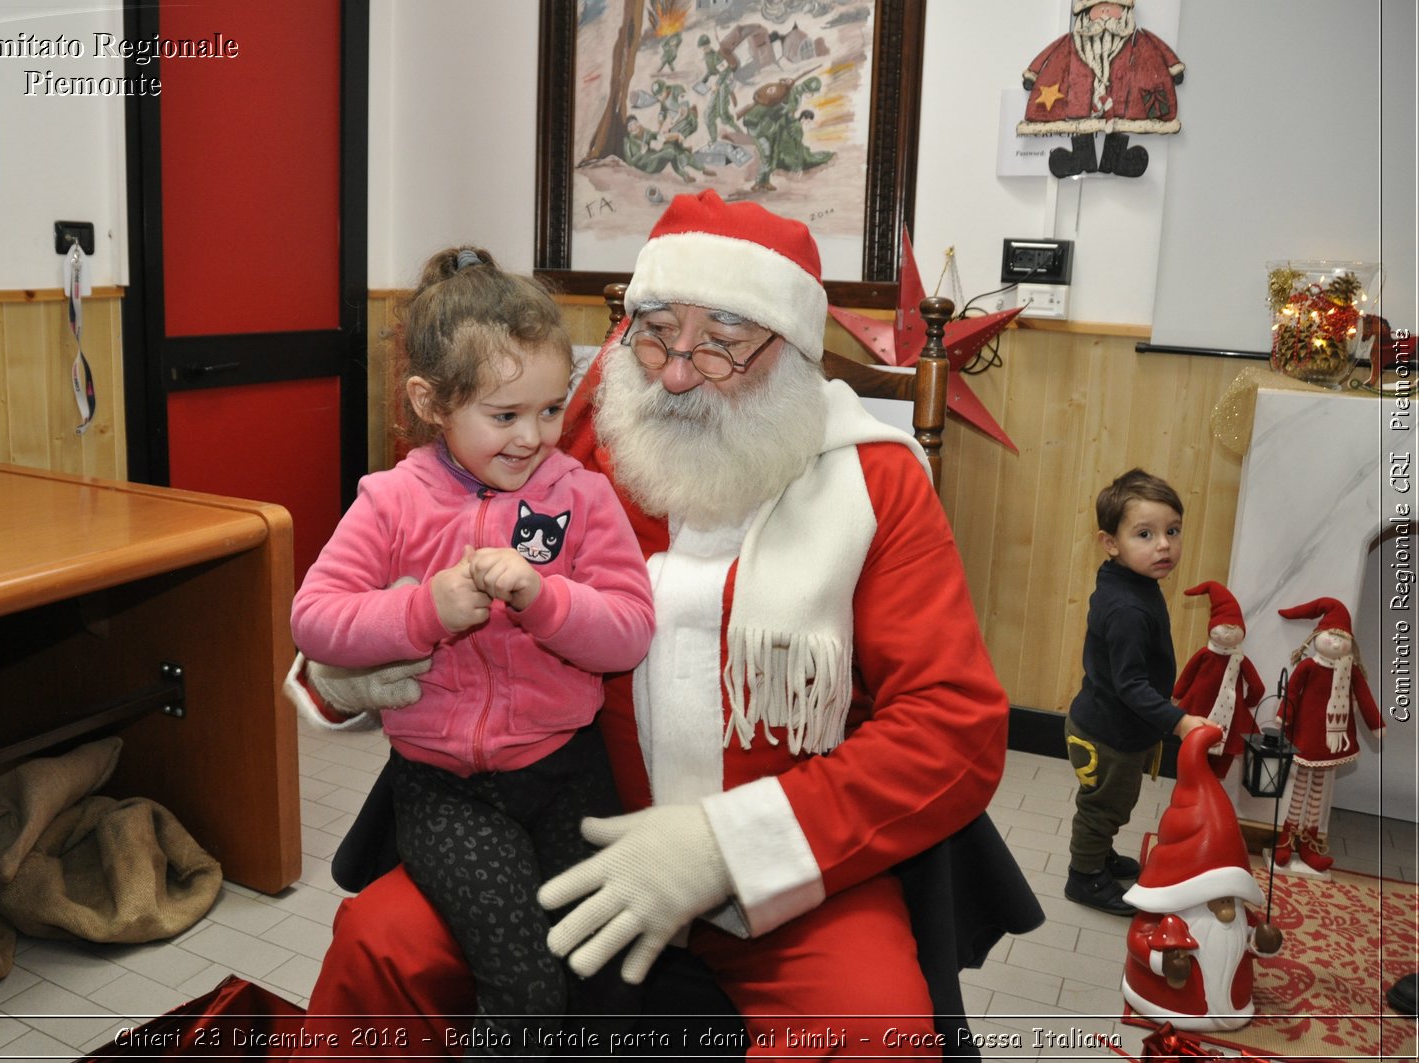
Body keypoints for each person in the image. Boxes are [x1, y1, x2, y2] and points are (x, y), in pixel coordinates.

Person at [296, 191, 1041, 1059]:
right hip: (559, 837)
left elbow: (952, 726)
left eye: (724, 340)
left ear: (794, 349)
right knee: (378, 948)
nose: (678, 371)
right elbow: (388, 560)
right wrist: (334, 679)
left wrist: (724, 847)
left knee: (876, 1033)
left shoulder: (876, 488)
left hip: (797, 871)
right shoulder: (563, 443)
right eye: (654, 332)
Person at [289, 247, 655, 1052]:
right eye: (505, 414)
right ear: (430, 401)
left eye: (552, 410)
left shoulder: (582, 494)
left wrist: (545, 597)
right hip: (445, 790)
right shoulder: (389, 501)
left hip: (567, 771)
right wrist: (425, 609)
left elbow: (629, 628)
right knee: (523, 982)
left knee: (611, 967)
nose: (534, 438)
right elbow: (313, 618)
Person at [1064, 468, 1205, 917]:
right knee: (1103, 807)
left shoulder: (1132, 583)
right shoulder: (1127, 605)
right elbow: (1130, 685)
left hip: (1115, 725)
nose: (1163, 545)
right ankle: (1084, 877)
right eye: (1145, 534)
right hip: (1109, 734)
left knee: (1114, 803)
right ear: (1111, 543)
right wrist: (1178, 720)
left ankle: (1098, 856)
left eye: (1172, 531)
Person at [1121, 724, 1283, 1031]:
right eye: (1216, 900)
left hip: (1234, 1002)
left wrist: (1262, 943)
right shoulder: (1163, 913)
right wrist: (1162, 963)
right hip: (1168, 1001)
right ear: (1189, 890)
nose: (1225, 909)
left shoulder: (1239, 916)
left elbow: (1250, 943)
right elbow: (1138, 941)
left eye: (1228, 898)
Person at [1272, 597, 1385, 873]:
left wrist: (1376, 724)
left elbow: (1365, 697)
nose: (1335, 643)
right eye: (1331, 636)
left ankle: (1308, 843)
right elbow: (1292, 694)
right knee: (1299, 783)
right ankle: (1286, 837)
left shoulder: (1351, 671)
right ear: (1317, 636)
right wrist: (1283, 716)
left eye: (1341, 638)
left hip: (1334, 741)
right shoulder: (1309, 666)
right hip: (1307, 737)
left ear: (1350, 643)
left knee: (1320, 790)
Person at [1017, 0, 1185, 177]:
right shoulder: (1073, 43)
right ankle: (1080, 160)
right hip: (1081, 99)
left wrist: (1174, 68)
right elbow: (1049, 53)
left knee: (1119, 124)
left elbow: (1159, 49)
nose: (1105, 14)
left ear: (1125, 12)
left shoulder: (1137, 41)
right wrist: (1032, 74)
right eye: (1099, 9)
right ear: (1086, 13)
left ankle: (1117, 160)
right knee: (1081, 126)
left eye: (1111, 9)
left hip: (1123, 98)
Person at [1172, 582, 1263, 779]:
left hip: (1228, 717)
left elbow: (1257, 687)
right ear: (1212, 628)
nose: (1229, 633)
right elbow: (1187, 676)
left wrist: (1246, 704)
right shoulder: (1205, 654)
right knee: (1195, 754)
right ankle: (1195, 791)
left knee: (1216, 760)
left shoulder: (1240, 659)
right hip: (1199, 711)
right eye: (1225, 627)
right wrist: (1177, 695)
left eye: (1234, 629)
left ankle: (1208, 794)